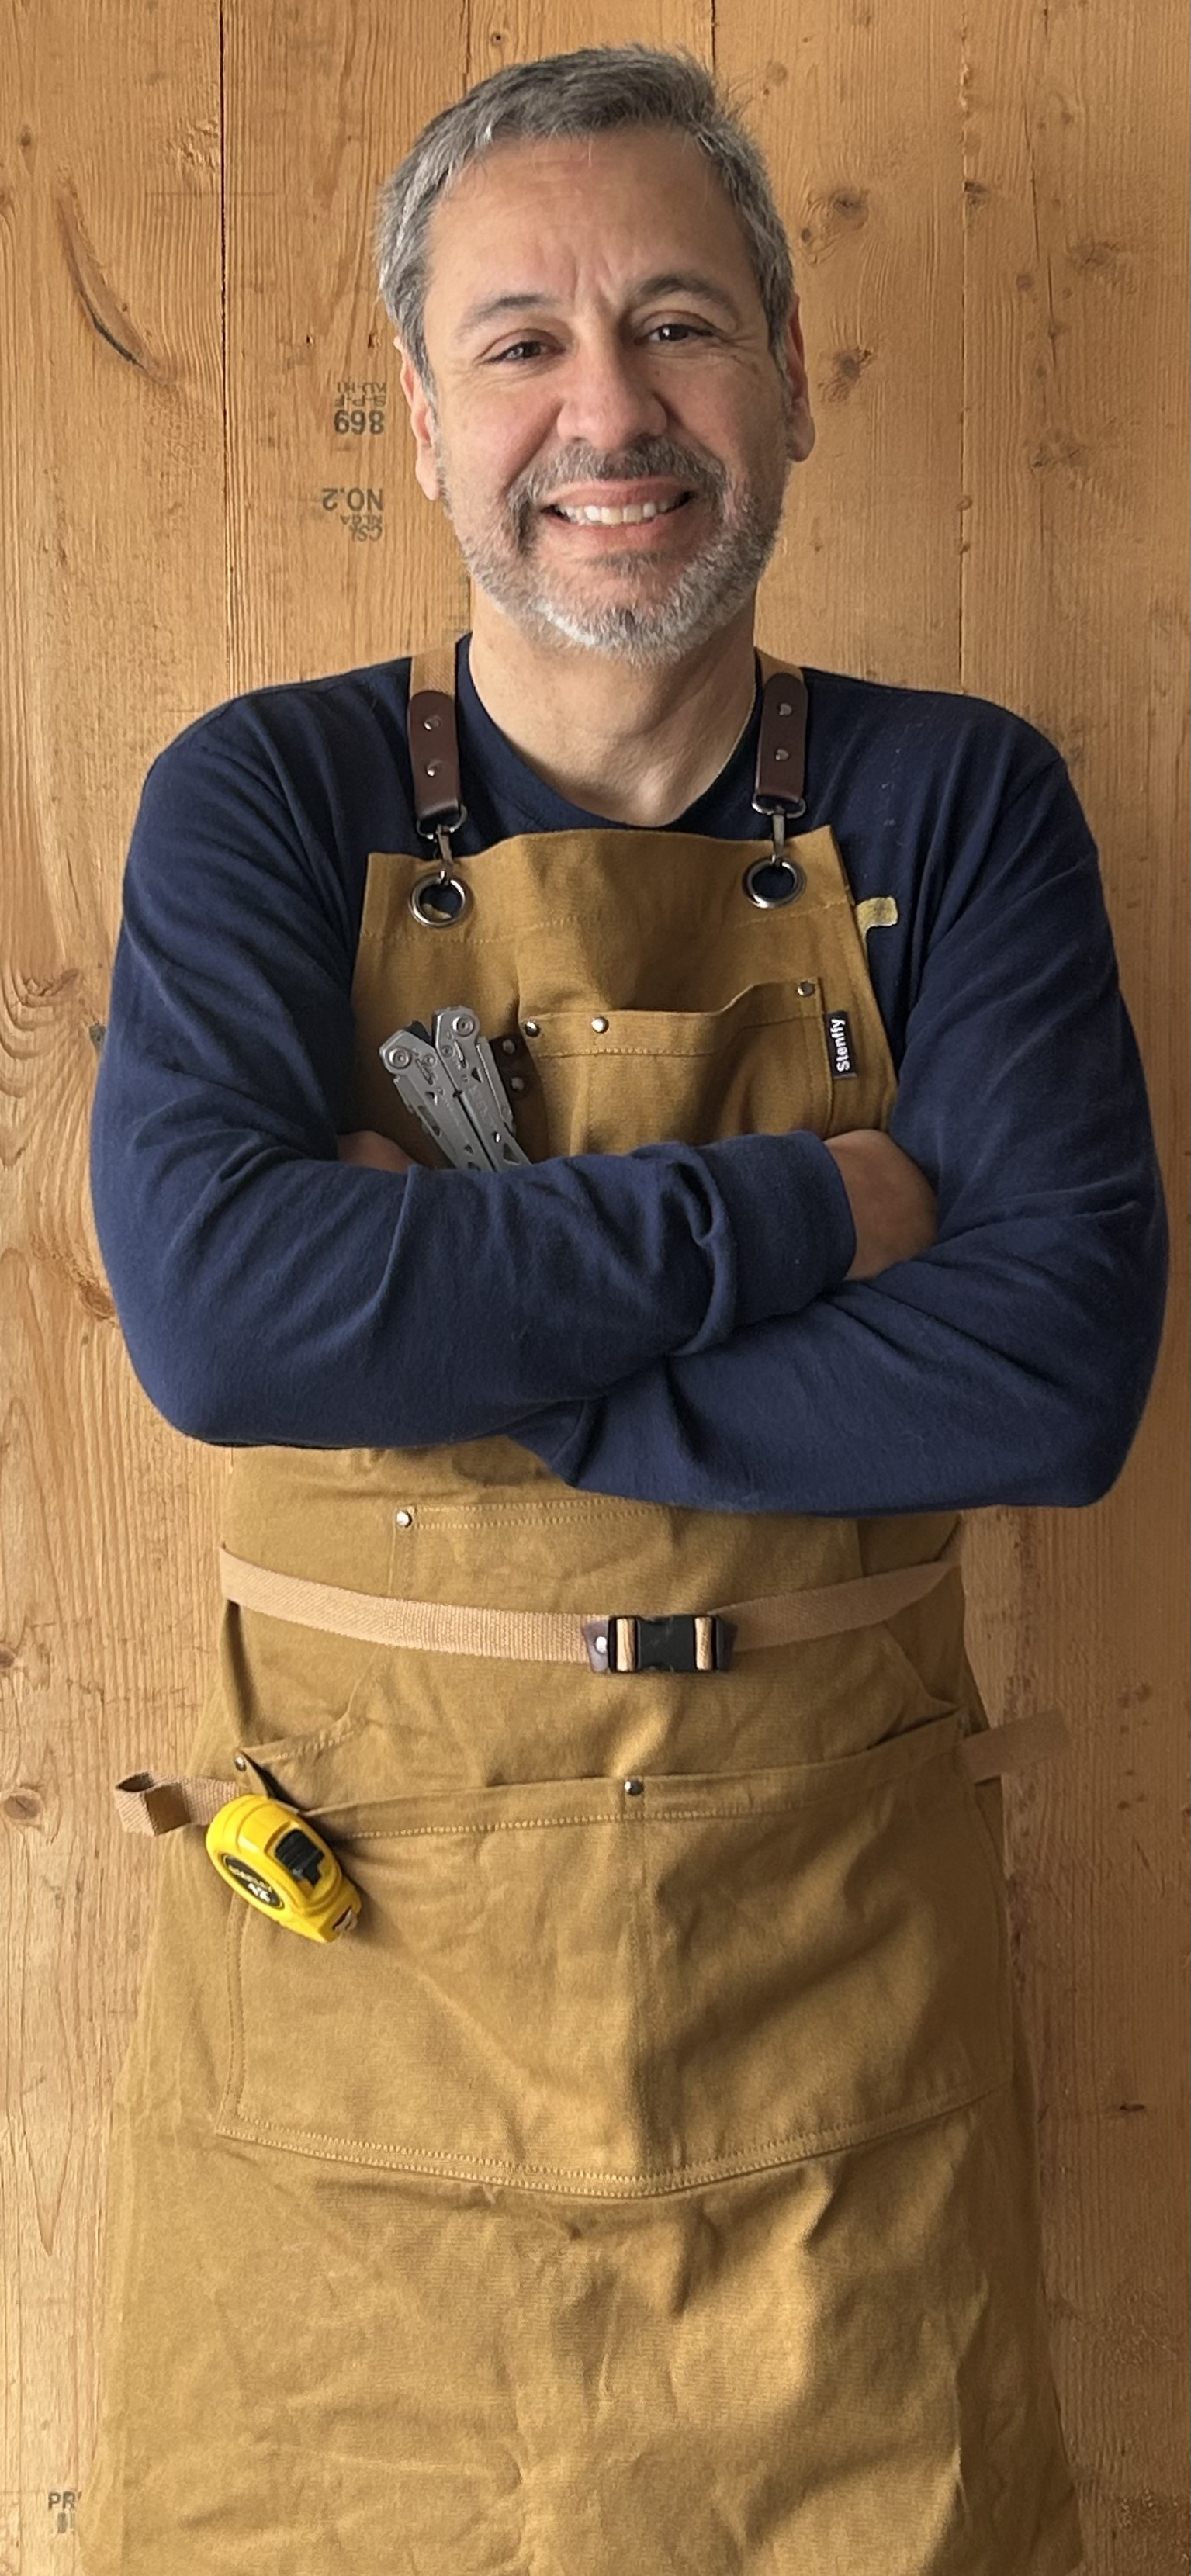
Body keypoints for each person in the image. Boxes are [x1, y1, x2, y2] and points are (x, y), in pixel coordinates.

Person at [79, 44, 1166, 2576]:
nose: (611, 411)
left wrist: (467, 1370)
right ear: (427, 416)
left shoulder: (959, 802)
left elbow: (1053, 1369)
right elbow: (232, 1329)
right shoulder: (260, 797)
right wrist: (817, 1214)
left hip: (832, 2009)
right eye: (522, 341)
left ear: (787, 375)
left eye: (679, 325)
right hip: (354, 1989)